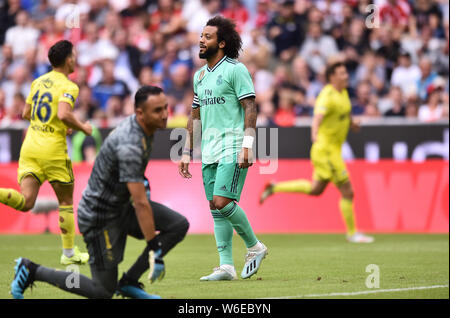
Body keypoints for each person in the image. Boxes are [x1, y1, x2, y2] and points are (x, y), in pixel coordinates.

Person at [11, 86, 190, 299]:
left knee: (177, 225)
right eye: (157, 110)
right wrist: (154, 250)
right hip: (99, 217)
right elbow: (141, 203)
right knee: (102, 291)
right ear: (140, 114)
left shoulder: (145, 128)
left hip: (120, 206)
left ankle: (129, 282)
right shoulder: (130, 143)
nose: (164, 115)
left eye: (165, 108)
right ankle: (31, 270)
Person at [179, 16, 268, 281]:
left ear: (222, 42)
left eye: (207, 36)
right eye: (201, 35)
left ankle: (255, 246)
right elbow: (194, 116)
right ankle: (226, 266)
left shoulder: (235, 69)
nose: (201, 40)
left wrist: (248, 145)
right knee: (214, 207)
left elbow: (250, 108)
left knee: (222, 201)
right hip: (210, 150)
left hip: (232, 145)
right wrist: (186, 150)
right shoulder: (200, 77)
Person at [259, 61, 374, 244]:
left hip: (332, 150)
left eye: (346, 73)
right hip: (326, 151)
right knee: (348, 191)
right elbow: (317, 117)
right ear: (332, 77)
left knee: (316, 189)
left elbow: (343, 113)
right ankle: (352, 233)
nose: (346, 76)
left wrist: (352, 124)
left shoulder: (343, 92)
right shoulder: (326, 96)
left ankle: (274, 187)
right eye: (342, 73)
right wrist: (314, 134)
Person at [0, 40, 92, 264]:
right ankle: (69, 254)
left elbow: (26, 113)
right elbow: (63, 114)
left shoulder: (38, 82)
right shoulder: (69, 86)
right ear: (69, 59)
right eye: (75, 55)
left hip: (30, 146)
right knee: (66, 202)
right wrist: (83, 127)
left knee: (27, 202)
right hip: (52, 150)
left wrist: (52, 123)